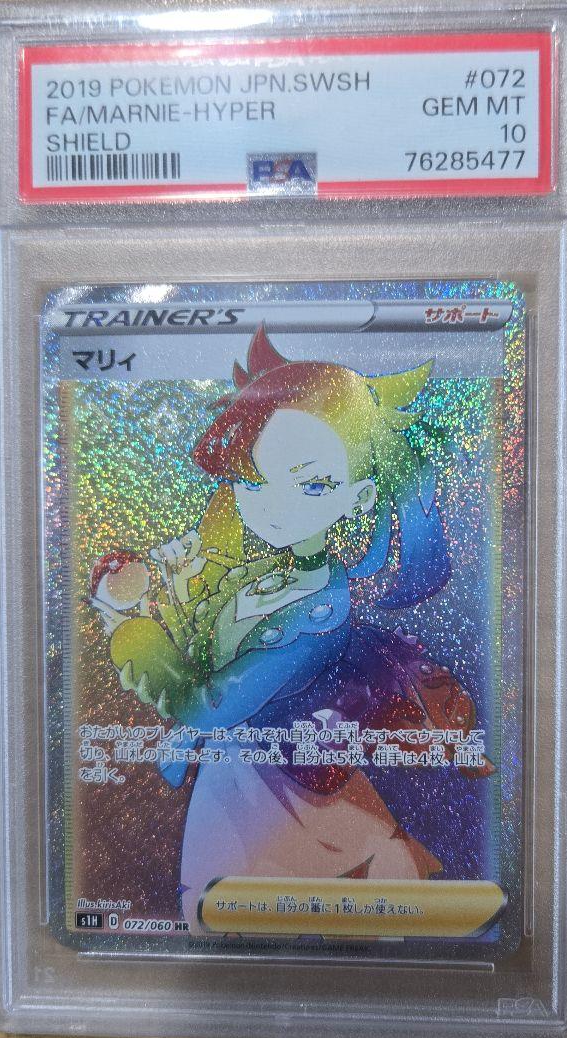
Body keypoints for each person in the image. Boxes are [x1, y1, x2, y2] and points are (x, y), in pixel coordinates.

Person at [92, 326, 491, 925]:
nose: (274, 505)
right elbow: (198, 627)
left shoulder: (316, 616)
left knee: (242, 910)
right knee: (217, 915)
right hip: (239, 784)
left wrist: (131, 630)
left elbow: (204, 704)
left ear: (359, 496)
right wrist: (152, 592)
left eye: (312, 485)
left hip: (283, 793)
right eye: (255, 479)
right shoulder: (255, 569)